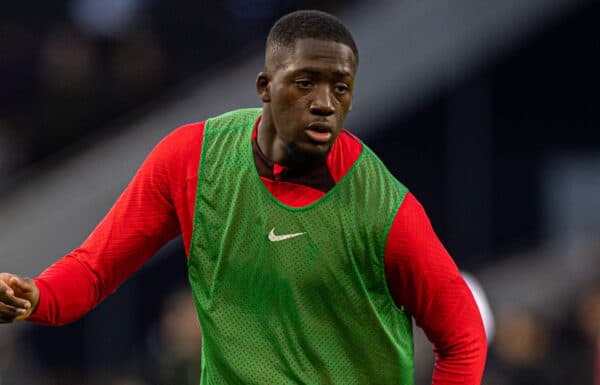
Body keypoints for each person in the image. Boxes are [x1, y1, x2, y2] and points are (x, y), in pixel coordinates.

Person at [0, 10, 487, 384]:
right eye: (305, 82)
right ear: (264, 87)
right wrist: (36, 296)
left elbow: (462, 334)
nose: (324, 102)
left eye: (340, 87)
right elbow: (94, 269)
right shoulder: (192, 159)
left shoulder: (383, 207)